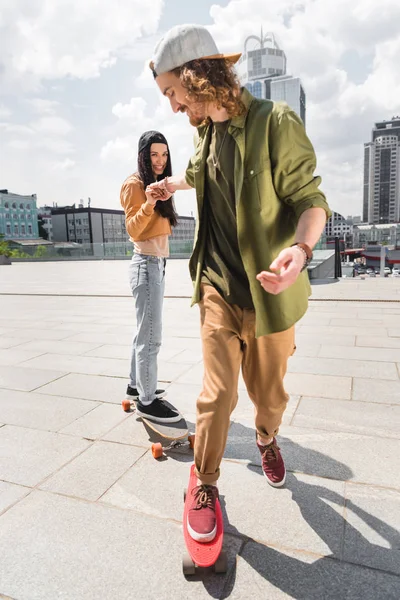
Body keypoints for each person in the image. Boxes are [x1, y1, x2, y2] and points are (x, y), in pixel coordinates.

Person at [148, 24, 331, 542]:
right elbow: (198, 172)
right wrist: (171, 183)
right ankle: (204, 482)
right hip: (217, 286)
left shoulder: (277, 122)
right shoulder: (203, 133)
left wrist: (300, 250)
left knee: (268, 396)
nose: (173, 106)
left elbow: (311, 201)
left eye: (172, 93)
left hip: (270, 294)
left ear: (195, 76)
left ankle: (267, 436)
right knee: (218, 393)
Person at [120, 130, 181, 423]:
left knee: (143, 331)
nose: (160, 160)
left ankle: (136, 386)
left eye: (164, 154)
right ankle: (146, 402)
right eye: (154, 154)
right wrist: (149, 203)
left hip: (155, 263)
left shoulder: (158, 184)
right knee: (151, 337)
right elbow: (133, 228)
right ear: (144, 155)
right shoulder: (135, 184)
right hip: (146, 263)